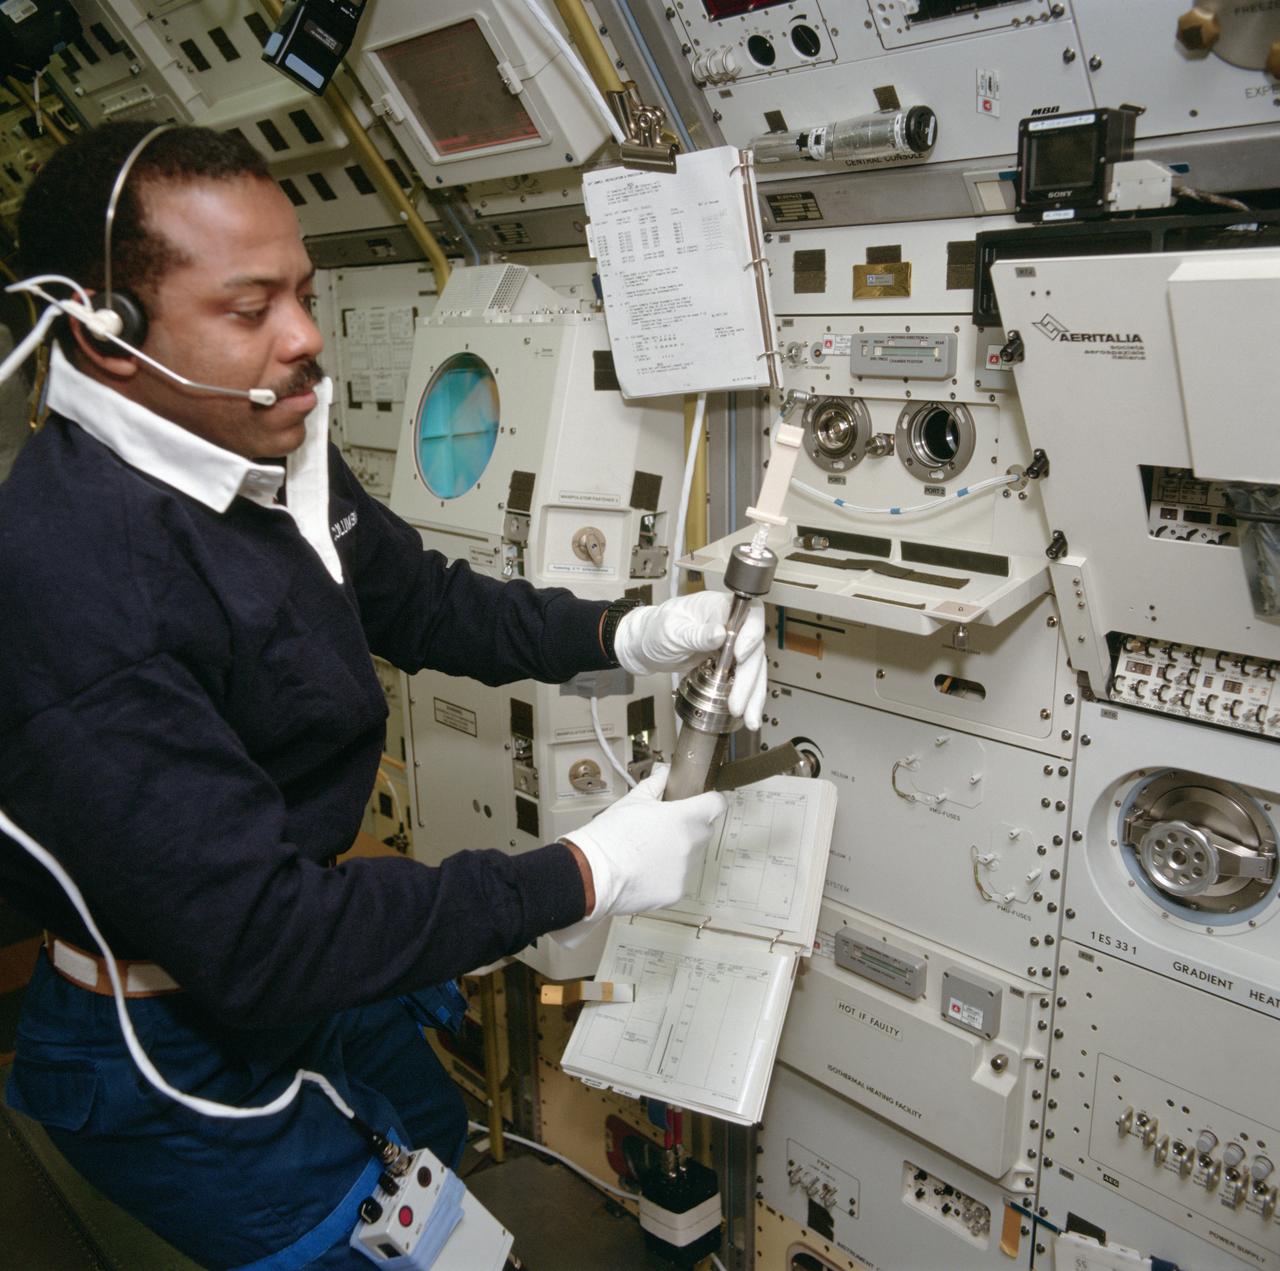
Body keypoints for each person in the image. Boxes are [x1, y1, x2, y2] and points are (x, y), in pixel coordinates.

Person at [0, 121, 766, 1270]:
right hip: (174, 1041)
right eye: (249, 308)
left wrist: (630, 632)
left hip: (307, 965)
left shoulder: (256, 432)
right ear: (104, 336)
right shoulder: (74, 581)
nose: (305, 339)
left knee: (436, 1145)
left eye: (302, 292)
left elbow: (421, 601)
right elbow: (260, 940)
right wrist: (581, 872)